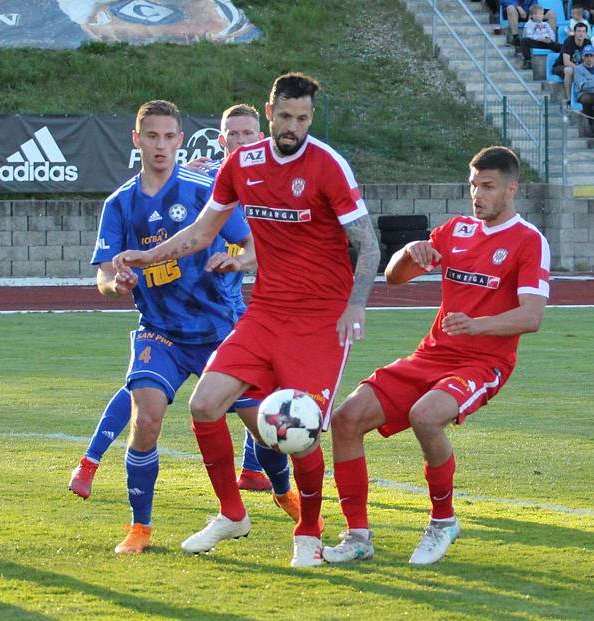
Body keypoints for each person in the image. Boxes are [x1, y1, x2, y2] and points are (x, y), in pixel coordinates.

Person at [112, 72, 381, 567]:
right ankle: (233, 514)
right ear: (269, 111)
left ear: (310, 118)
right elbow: (201, 231)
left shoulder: (327, 165)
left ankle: (308, 533)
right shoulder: (243, 164)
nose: (292, 127)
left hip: (321, 319)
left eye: (302, 119)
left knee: (302, 432)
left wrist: (356, 304)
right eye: (284, 116)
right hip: (265, 312)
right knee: (205, 404)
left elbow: (367, 242)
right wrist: (147, 259)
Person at [322, 146, 550, 566]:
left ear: (511, 188)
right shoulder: (457, 230)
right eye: (473, 186)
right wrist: (410, 252)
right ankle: (357, 536)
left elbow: (532, 316)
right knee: (345, 418)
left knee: (425, 416)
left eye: (488, 186)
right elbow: (393, 277)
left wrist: (476, 325)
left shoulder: (528, 241)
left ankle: (443, 521)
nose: (477, 195)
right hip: (431, 355)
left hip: (484, 363)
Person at [77, 98, 267, 556]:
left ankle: (282, 491)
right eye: (151, 136)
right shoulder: (120, 203)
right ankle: (140, 528)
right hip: (160, 329)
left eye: (168, 137)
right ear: (136, 140)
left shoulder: (204, 189)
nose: (160, 145)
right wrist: (114, 284)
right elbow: (104, 275)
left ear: (180, 141)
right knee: (147, 419)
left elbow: (251, 243)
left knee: (263, 427)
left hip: (219, 327)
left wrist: (236, 260)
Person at [552, 22, 592, 103]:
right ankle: (569, 99)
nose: (581, 34)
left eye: (583, 31)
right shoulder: (568, 41)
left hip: (579, 67)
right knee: (569, 70)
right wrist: (581, 69)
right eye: (579, 31)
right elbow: (566, 62)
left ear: (586, 33)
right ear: (574, 32)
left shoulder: (588, 43)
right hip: (560, 66)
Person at [520, 4, 561, 69]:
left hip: (546, 42)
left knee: (560, 46)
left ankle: (562, 59)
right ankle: (528, 61)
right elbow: (529, 35)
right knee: (524, 41)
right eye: (536, 14)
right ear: (531, 15)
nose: (539, 16)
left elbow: (551, 33)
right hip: (536, 42)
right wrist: (539, 39)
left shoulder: (546, 24)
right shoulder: (529, 24)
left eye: (541, 14)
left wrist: (551, 39)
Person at [574, 45, 594, 133]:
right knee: (587, 99)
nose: (589, 58)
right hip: (584, 94)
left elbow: (586, 83)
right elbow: (582, 85)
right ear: (582, 57)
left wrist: (589, 82)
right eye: (586, 56)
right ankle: (591, 123)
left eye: (591, 55)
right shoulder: (578, 69)